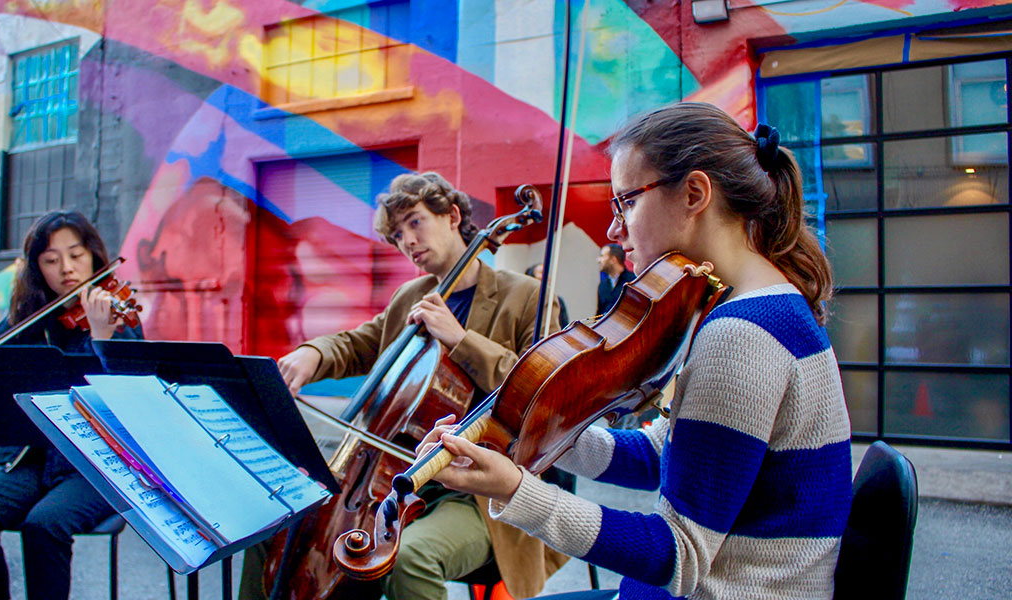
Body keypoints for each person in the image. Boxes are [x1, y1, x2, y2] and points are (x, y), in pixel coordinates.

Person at [417, 103, 852, 599]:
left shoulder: (743, 336)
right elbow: (655, 455)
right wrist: (522, 433)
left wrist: (517, 490)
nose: (613, 229)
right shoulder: (764, 307)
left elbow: (680, 555)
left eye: (626, 201)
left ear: (694, 193)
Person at [239, 172, 567, 600]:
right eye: (397, 234)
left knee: (410, 558)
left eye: (415, 222)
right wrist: (313, 354)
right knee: (275, 526)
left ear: (452, 216)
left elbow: (545, 393)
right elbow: (359, 344)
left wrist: (461, 339)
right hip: (393, 483)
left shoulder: (526, 297)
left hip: (479, 494)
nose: (407, 240)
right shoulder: (411, 297)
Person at [0, 211, 143, 600]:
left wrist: (101, 338)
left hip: (96, 464)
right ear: (37, 268)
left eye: (76, 255)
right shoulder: (34, 318)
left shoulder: (118, 318)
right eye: (51, 260)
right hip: (33, 458)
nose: (66, 270)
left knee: (44, 524)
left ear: (94, 258)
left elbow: (125, 400)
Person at [595, 243, 633, 315]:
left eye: (602, 256)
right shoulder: (603, 285)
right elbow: (599, 314)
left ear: (613, 259)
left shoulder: (632, 281)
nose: (598, 260)